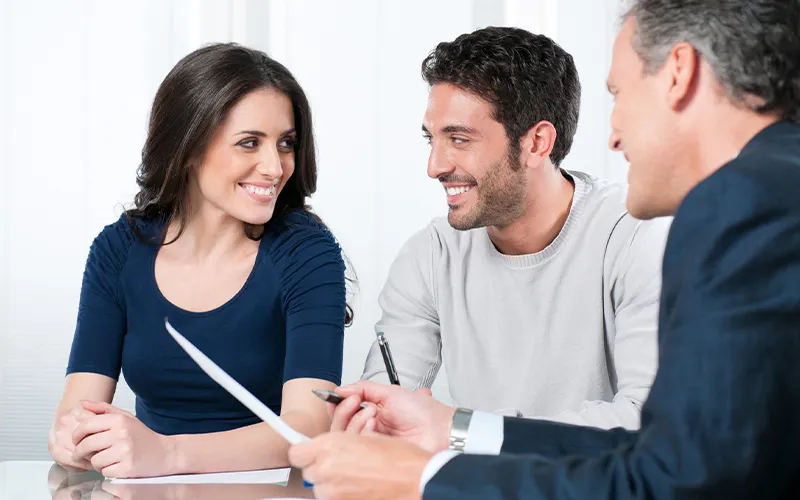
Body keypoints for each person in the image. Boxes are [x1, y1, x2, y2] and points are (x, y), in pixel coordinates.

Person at [288, 0, 800, 498]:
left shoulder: (736, 207)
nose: (613, 136)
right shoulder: (768, 190)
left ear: (678, 72)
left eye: (619, 94)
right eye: (432, 139)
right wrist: (451, 428)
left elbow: (670, 472)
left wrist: (426, 478)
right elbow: (679, 455)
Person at [48, 43, 352, 479]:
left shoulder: (307, 252)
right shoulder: (118, 249)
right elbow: (75, 408)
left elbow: (310, 425)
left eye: (286, 143)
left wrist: (168, 454)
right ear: (188, 147)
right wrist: (71, 439)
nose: (275, 166)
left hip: (268, 486)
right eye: (250, 143)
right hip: (147, 484)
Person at [361, 26, 670, 429]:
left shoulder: (636, 237)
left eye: (458, 139)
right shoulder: (432, 256)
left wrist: (461, 431)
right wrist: (372, 421)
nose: (434, 166)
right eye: (432, 140)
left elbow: (648, 417)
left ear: (537, 143)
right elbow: (385, 412)